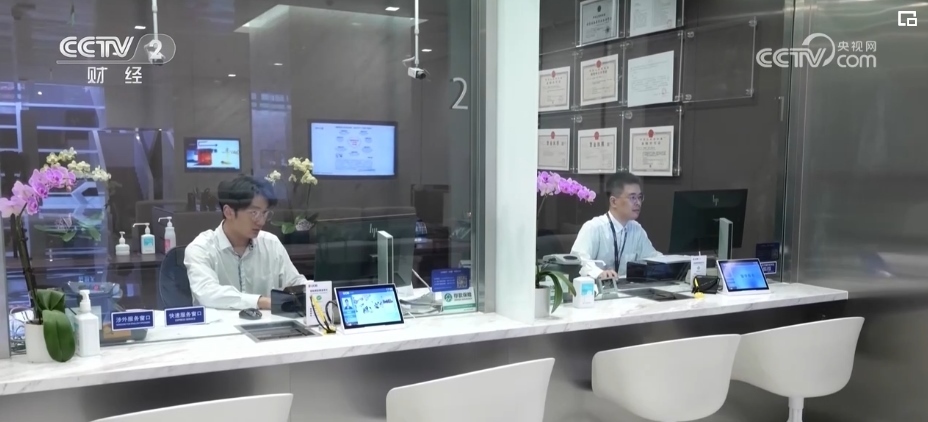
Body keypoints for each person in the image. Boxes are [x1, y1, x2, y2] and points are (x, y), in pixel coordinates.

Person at [185, 175, 306, 310]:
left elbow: (295, 282)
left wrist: (314, 292)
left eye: (264, 213)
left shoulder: (271, 243)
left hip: (268, 323)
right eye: (254, 213)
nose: (261, 221)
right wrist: (261, 302)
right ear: (228, 212)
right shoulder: (201, 248)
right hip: (219, 324)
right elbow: (208, 293)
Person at [570, 171, 662, 279]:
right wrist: (599, 273)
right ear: (614, 202)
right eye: (632, 197)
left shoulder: (636, 229)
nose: (638, 203)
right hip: (597, 287)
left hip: (627, 287)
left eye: (640, 197)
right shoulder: (594, 227)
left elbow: (652, 257)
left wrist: (671, 263)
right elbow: (578, 260)